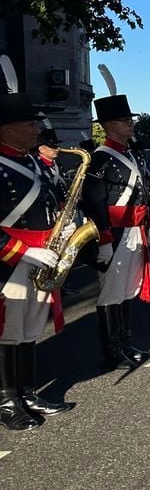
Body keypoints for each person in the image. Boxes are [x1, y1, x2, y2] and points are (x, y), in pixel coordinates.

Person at [0, 91, 76, 431]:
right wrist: (24, 251)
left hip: (44, 256)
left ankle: (27, 392)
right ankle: (6, 400)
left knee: (30, 330)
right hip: (11, 261)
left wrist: (66, 220)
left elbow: (52, 200)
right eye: (29, 123)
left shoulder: (31, 161)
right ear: (6, 128)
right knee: (8, 332)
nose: (36, 129)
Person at [80, 92, 150, 370]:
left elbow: (143, 192)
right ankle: (112, 350)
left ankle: (125, 342)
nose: (131, 125)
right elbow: (93, 202)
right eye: (125, 121)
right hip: (114, 234)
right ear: (109, 125)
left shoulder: (130, 154)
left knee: (128, 290)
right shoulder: (99, 159)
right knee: (111, 293)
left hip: (134, 230)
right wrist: (103, 239)